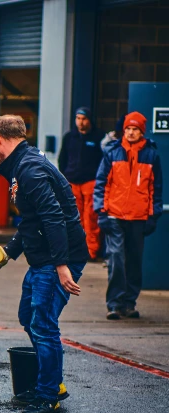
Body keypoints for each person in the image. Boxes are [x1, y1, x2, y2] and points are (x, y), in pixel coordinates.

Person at [0, 115, 87, 413]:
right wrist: (6, 253)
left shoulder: (29, 169)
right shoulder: (25, 164)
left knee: (43, 324)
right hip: (44, 257)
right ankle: (50, 381)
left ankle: (49, 394)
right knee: (28, 316)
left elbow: (53, 217)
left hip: (56, 259)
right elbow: (32, 221)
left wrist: (61, 265)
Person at [94, 111, 163, 320]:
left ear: (142, 131)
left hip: (139, 217)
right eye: (128, 129)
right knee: (116, 259)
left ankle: (129, 303)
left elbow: (156, 188)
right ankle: (114, 304)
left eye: (135, 129)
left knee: (134, 261)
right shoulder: (112, 152)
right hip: (114, 215)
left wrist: (153, 215)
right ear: (123, 130)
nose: (131, 132)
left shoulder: (152, 155)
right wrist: (102, 211)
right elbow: (101, 184)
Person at [58, 107, 106, 260]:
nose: (81, 122)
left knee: (91, 218)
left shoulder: (99, 137)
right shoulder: (69, 137)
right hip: (72, 182)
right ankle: (75, 250)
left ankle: (91, 251)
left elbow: (103, 161)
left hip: (91, 182)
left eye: (83, 119)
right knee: (74, 218)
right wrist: (64, 177)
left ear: (89, 120)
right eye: (78, 118)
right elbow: (62, 159)